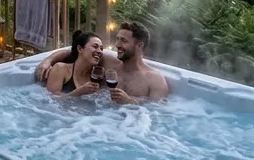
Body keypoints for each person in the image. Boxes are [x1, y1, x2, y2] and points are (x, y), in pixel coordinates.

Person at [35, 20, 169, 103]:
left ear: (139, 46)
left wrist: (130, 102)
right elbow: (73, 52)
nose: (117, 45)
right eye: (117, 39)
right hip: (99, 125)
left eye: (123, 41)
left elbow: (156, 115)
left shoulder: (155, 80)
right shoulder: (110, 63)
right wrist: (48, 60)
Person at [44, 30, 106, 97]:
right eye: (95, 46)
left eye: (101, 48)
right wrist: (79, 92)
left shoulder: (97, 76)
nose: (100, 51)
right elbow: (50, 100)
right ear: (80, 49)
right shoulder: (61, 69)